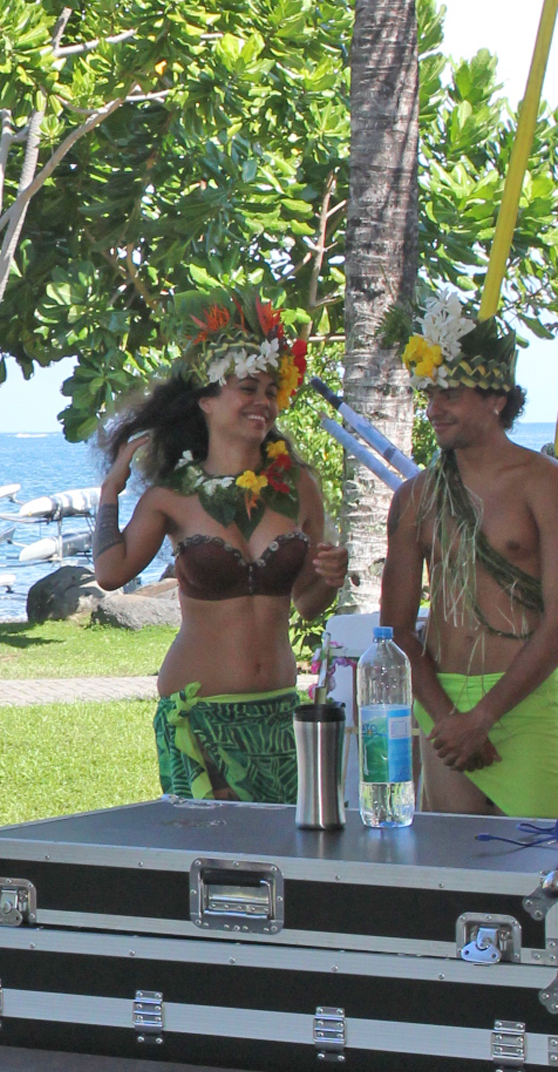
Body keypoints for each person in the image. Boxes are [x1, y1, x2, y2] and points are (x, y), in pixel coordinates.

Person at [94, 291, 348, 800]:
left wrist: (328, 577)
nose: (264, 401)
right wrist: (110, 494)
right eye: (248, 387)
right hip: (200, 716)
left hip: (279, 713)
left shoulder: (298, 486)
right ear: (206, 401)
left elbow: (307, 603)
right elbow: (110, 572)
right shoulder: (173, 496)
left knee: (285, 865)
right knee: (216, 868)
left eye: (272, 390)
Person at [380, 290, 558, 815]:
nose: (433, 409)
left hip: (531, 698)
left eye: (450, 394)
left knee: (534, 879)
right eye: (429, 394)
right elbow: (395, 632)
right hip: (443, 706)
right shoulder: (416, 497)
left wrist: (483, 717)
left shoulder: (543, 484)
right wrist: (447, 719)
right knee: (451, 884)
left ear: (496, 399)